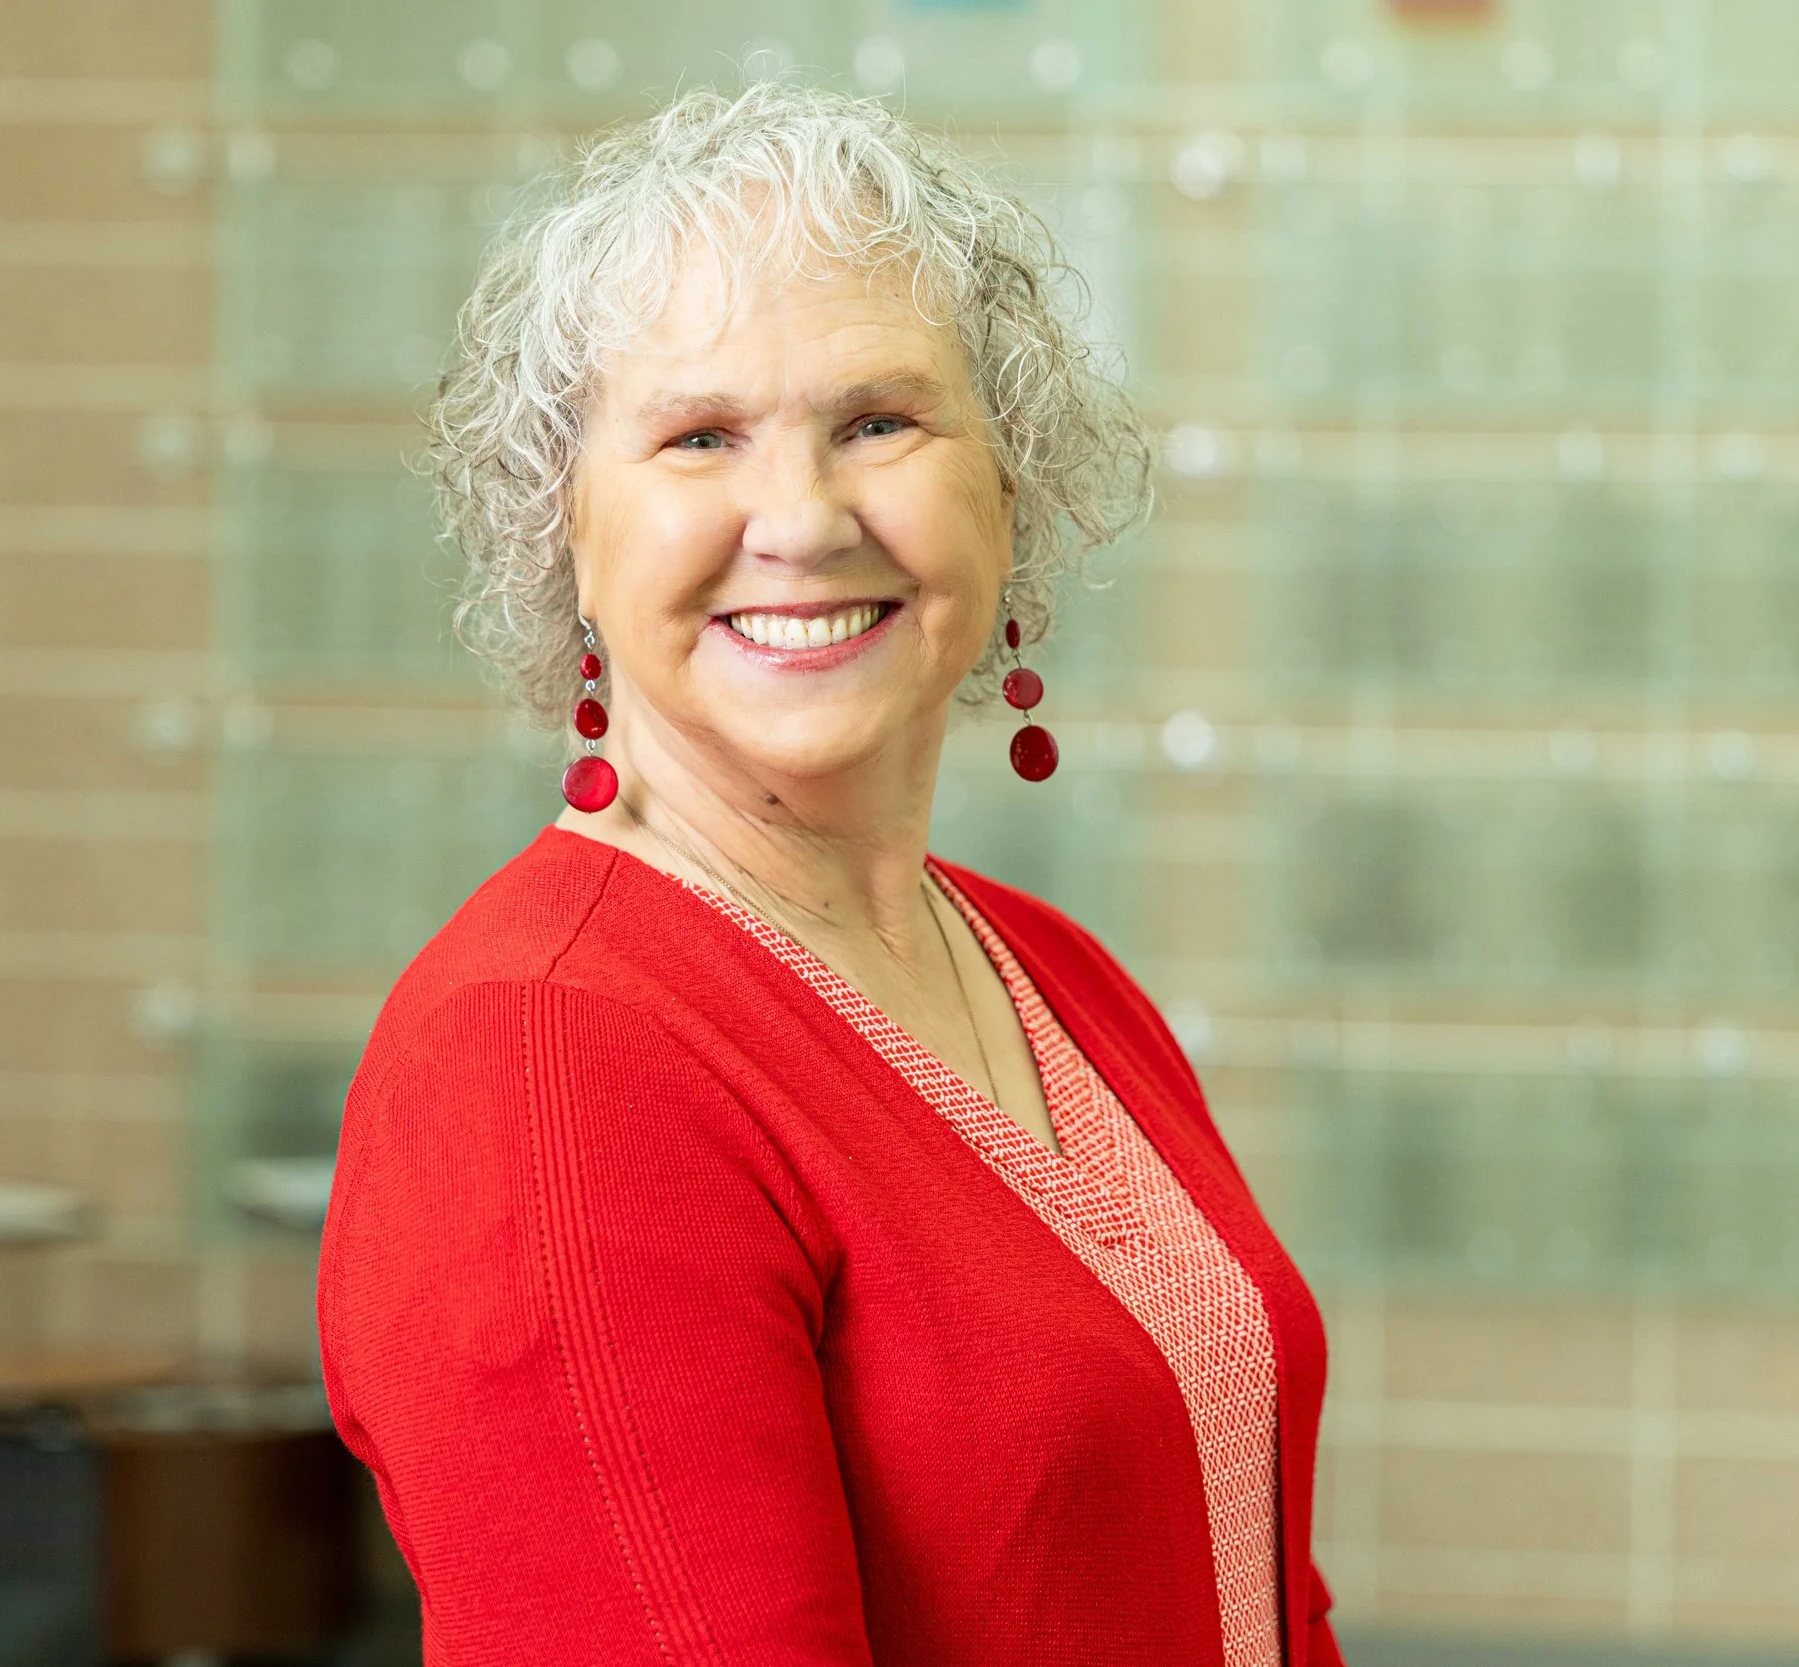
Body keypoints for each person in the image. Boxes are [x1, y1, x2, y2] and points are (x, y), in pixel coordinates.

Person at [318, 81, 1341, 1666]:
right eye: (699, 436)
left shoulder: (1056, 979)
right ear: (567, 532)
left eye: (878, 419)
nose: (796, 519)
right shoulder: (543, 1055)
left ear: (1009, 493)